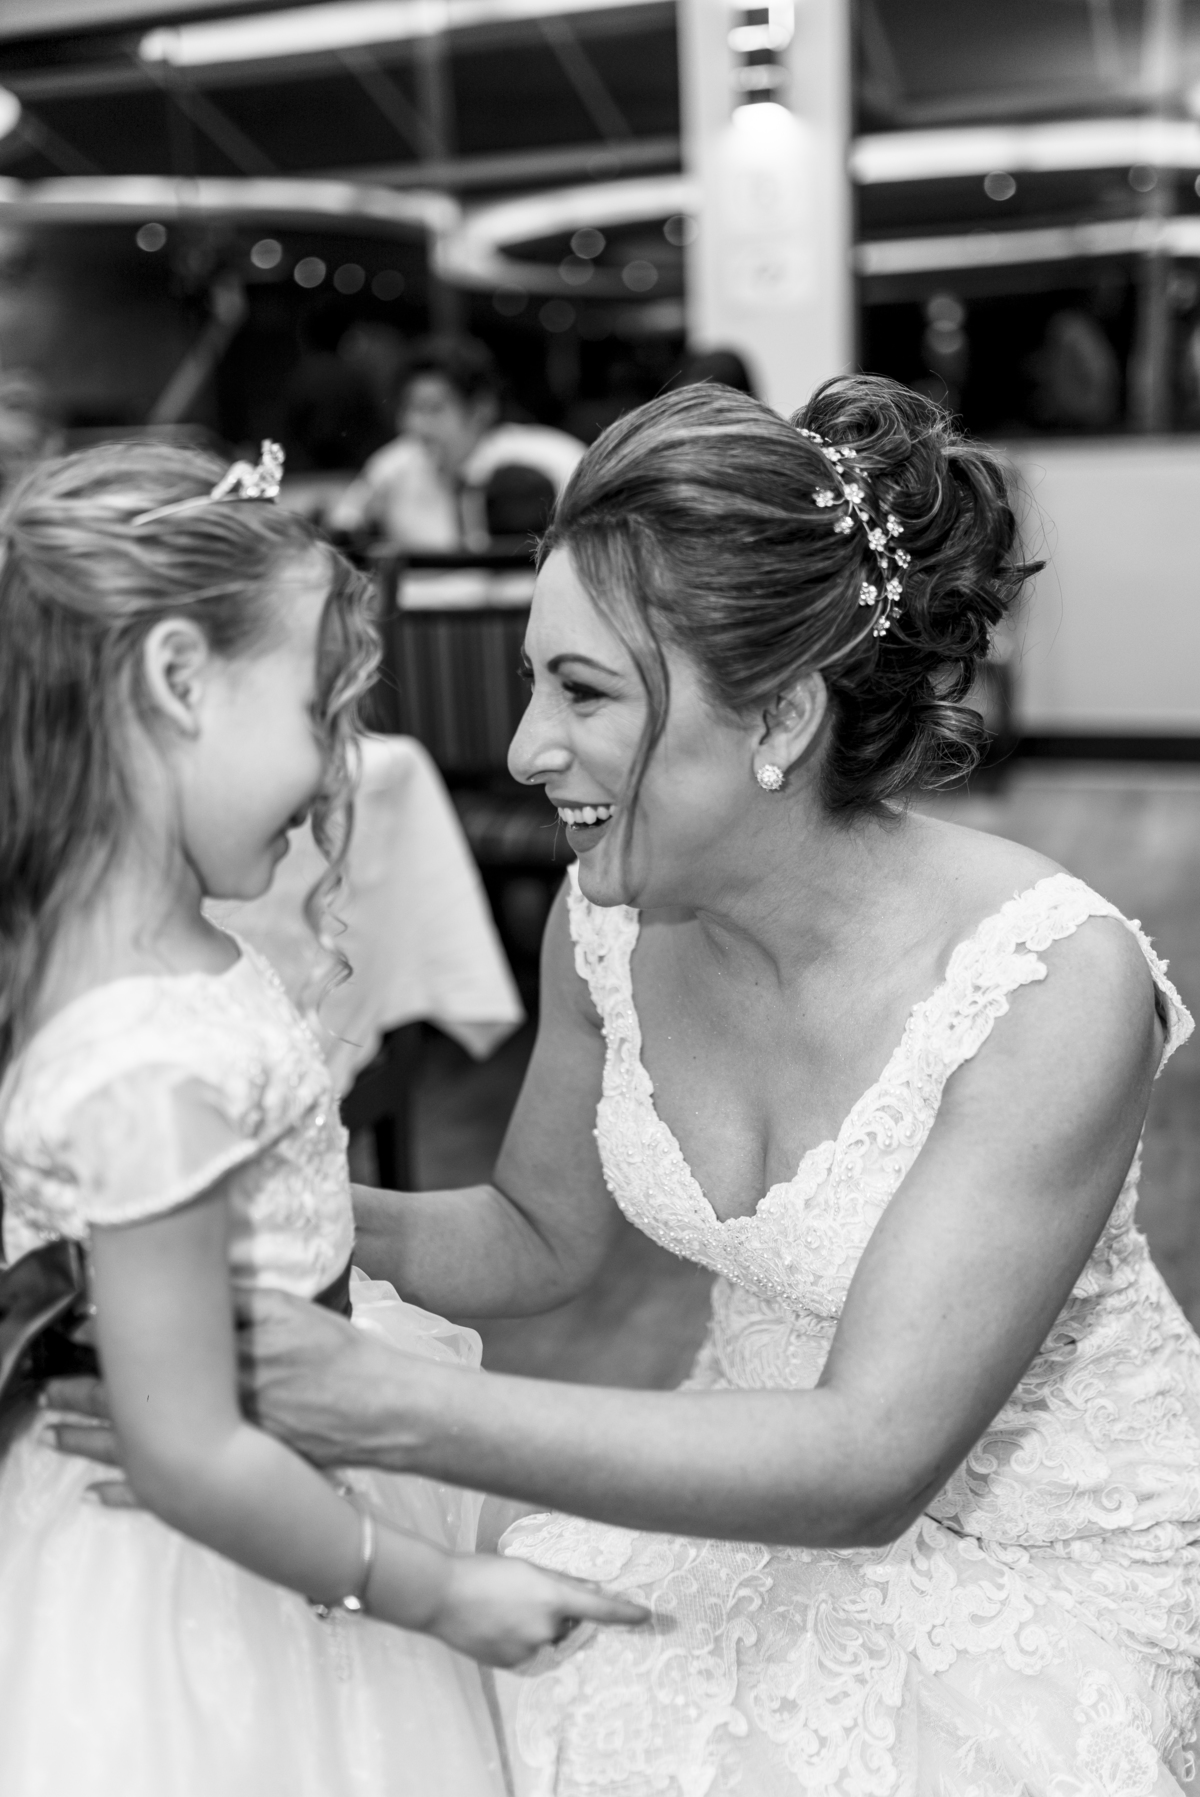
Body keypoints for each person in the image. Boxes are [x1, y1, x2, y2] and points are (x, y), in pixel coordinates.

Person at [57, 382, 1200, 1793]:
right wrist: (264, 1211)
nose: (525, 747)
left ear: (779, 714)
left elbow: (868, 1460)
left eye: (584, 691)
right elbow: (535, 1236)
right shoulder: (603, 922)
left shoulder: (1050, 984)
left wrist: (378, 1399)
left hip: (1039, 1575)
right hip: (749, 1499)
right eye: (535, 680)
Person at [0, 439, 643, 1797]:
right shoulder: (144, 1056)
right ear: (179, 681)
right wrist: (434, 1592)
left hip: (286, 1483)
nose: (337, 768)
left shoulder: (158, 957)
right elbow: (185, 1447)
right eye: (315, 711)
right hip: (212, 1581)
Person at [328, 335, 583, 551]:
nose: (413, 425)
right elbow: (344, 525)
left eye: (433, 408)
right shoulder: (394, 465)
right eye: (408, 408)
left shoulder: (553, 459)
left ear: (481, 409)